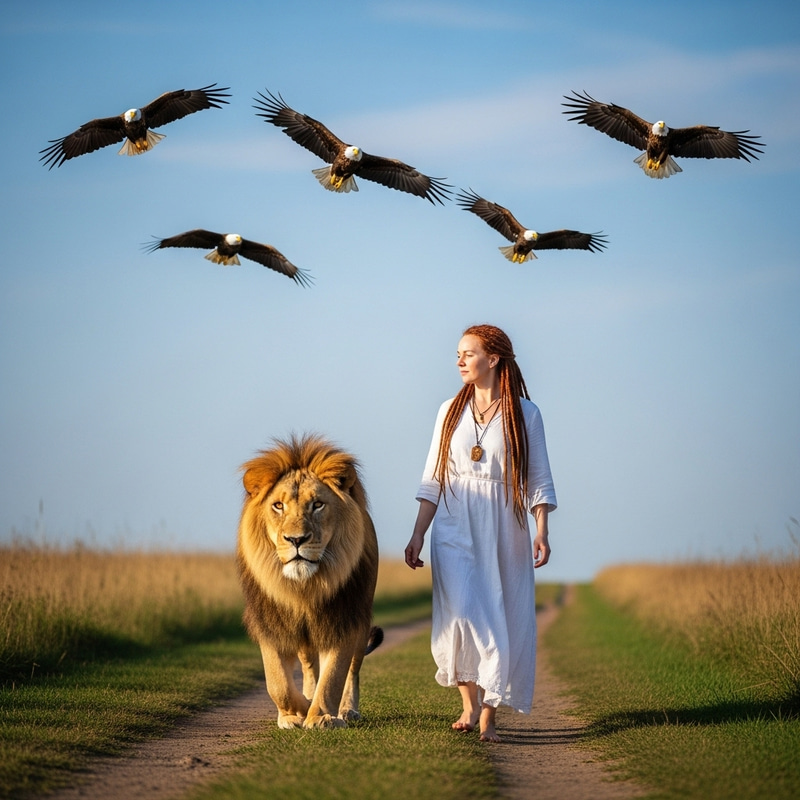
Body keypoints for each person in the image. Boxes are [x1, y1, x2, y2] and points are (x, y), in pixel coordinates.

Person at [404, 323, 557, 743]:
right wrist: (418, 532)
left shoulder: (526, 414)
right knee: (459, 612)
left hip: (503, 522)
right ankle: (468, 704)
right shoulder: (449, 410)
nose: (459, 361)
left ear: (493, 359)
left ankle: (489, 713)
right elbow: (432, 476)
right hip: (453, 520)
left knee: (497, 612)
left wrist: (541, 529)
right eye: (458, 353)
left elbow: (538, 477)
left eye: (467, 354)